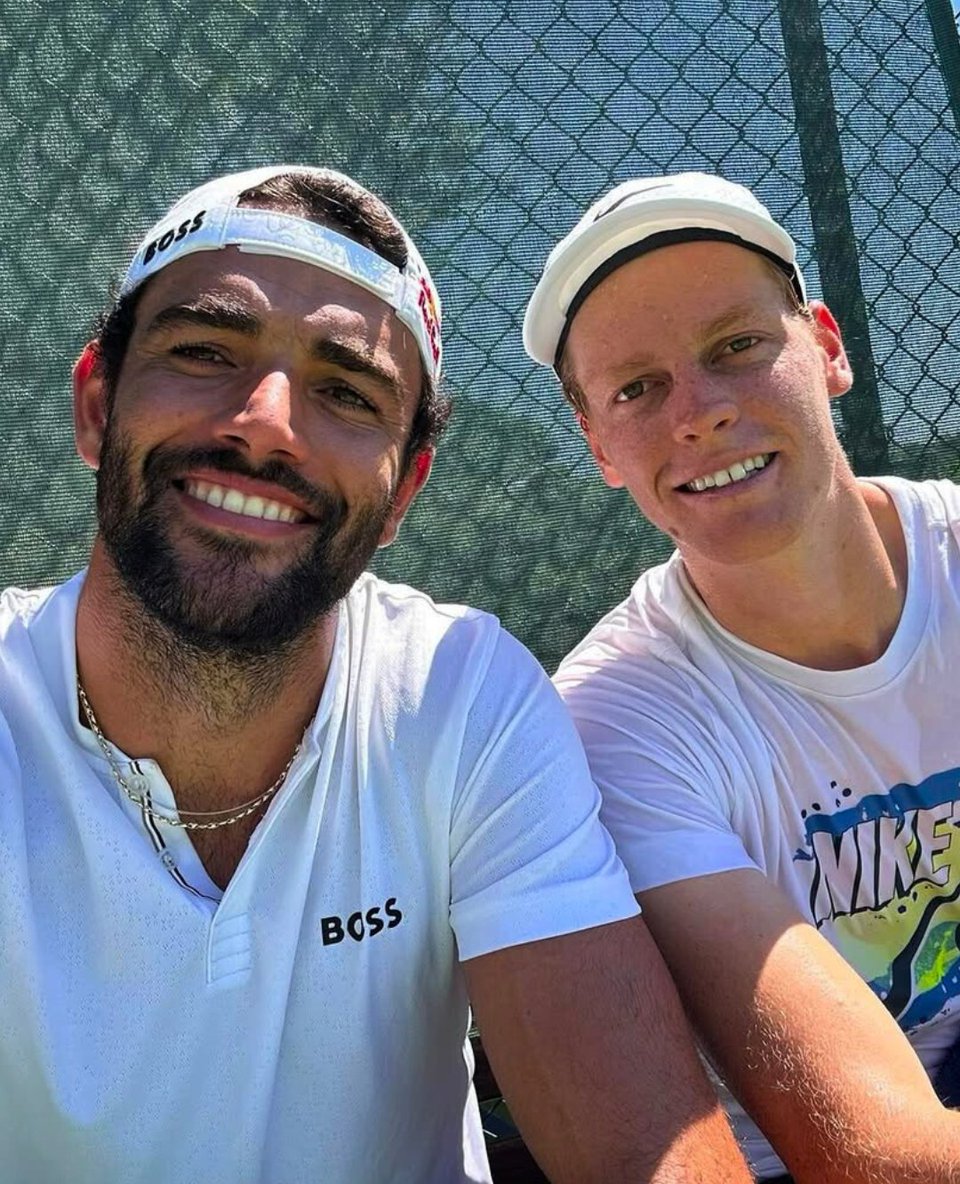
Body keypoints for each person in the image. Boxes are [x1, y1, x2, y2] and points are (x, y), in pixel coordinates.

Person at [0, 164, 750, 1184]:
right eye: (205, 350)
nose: (265, 419)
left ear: (403, 495)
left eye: (348, 393)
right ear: (97, 404)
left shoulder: (460, 695)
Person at [523, 172, 960, 1184]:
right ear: (599, 445)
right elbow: (879, 1160)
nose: (701, 412)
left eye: (736, 347)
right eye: (637, 389)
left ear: (828, 347)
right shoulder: (615, 719)